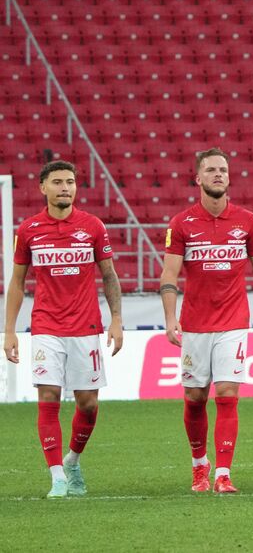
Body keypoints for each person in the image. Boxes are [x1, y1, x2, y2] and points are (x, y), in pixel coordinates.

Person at [160, 148, 253, 494]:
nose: (218, 175)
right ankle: (200, 465)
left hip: (233, 322)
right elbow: (169, 274)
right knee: (195, 397)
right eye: (211, 170)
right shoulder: (181, 223)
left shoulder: (247, 221)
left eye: (223, 170)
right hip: (195, 324)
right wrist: (170, 318)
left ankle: (223, 473)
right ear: (198, 178)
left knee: (227, 393)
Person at [5, 160, 123, 499]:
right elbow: (17, 282)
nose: (65, 188)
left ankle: (72, 460)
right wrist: (9, 330)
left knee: (88, 404)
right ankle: (57, 476)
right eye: (57, 182)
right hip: (46, 327)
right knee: (48, 397)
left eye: (70, 181)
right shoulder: (29, 230)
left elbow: (109, 275)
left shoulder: (92, 226)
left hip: (86, 327)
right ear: (43, 187)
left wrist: (116, 319)